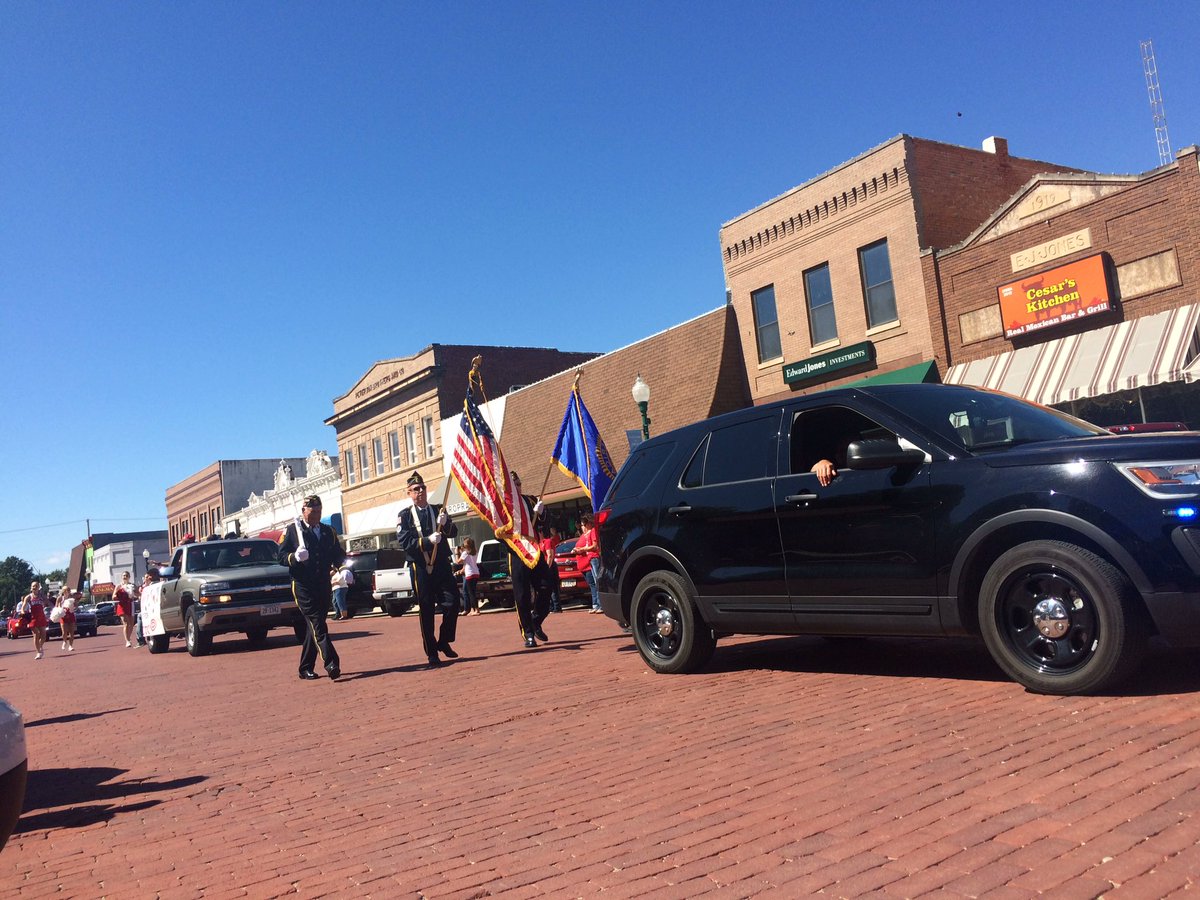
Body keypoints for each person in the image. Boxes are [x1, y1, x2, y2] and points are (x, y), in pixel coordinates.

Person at [278, 495, 351, 681]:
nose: (316, 515)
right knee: (317, 623)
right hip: (303, 585)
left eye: (319, 511)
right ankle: (331, 662)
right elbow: (280, 556)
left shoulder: (328, 531)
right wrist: (294, 557)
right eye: (313, 511)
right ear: (304, 511)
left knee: (315, 626)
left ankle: (305, 667)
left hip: (323, 583)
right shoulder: (292, 531)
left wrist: (344, 568)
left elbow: (337, 554)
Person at [397, 471, 460, 668]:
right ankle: (432, 653)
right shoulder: (405, 515)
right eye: (415, 489)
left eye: (423, 488)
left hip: (441, 564)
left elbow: (453, 532)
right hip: (421, 567)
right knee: (426, 610)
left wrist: (445, 524)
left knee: (453, 602)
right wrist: (427, 541)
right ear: (409, 493)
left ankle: (444, 640)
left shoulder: (438, 509)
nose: (420, 491)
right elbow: (405, 542)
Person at [505, 471, 551, 647]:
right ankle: (528, 633)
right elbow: (498, 534)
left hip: (535, 551)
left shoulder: (530, 500)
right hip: (517, 553)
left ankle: (536, 620)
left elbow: (545, 525)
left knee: (546, 586)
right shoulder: (505, 507)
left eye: (519, 484)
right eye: (513, 485)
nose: (517, 487)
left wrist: (542, 513)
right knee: (522, 595)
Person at [576, 515, 602, 613]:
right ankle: (597, 604)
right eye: (582, 525)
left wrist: (583, 549)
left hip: (594, 557)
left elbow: (595, 546)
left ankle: (600, 605)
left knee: (597, 582)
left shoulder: (593, 531)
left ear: (589, 524)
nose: (583, 527)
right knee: (595, 582)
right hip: (591, 558)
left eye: (584, 525)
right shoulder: (587, 534)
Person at [16, 582, 49, 659]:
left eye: (36, 586)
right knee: (36, 634)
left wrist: (44, 597)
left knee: (43, 636)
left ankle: (40, 646)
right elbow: (23, 606)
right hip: (32, 618)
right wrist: (23, 611)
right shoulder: (28, 597)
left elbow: (47, 602)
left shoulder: (41, 596)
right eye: (33, 586)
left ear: (38, 587)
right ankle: (38, 652)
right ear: (31, 587)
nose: (35, 587)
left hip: (41, 617)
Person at [541, 525, 562, 613]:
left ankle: (556, 607)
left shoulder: (548, 541)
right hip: (544, 566)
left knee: (553, 587)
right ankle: (550, 606)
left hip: (549, 566)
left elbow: (550, 555)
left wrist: (547, 568)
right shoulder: (541, 542)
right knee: (547, 587)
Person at [113, 572, 137, 648]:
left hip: (130, 605)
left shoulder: (133, 585)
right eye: (123, 575)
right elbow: (113, 596)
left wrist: (135, 595)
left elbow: (138, 594)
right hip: (122, 605)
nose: (125, 577)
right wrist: (119, 595)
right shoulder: (119, 586)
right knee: (126, 623)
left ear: (129, 577)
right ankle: (127, 641)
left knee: (131, 624)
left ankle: (128, 638)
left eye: (126, 575)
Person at [458, 538, 481, 616]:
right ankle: (473, 609)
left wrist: (458, 553)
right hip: (476, 572)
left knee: (470, 593)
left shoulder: (465, 553)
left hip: (469, 573)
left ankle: (476, 610)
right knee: (473, 591)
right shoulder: (475, 552)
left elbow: (458, 561)